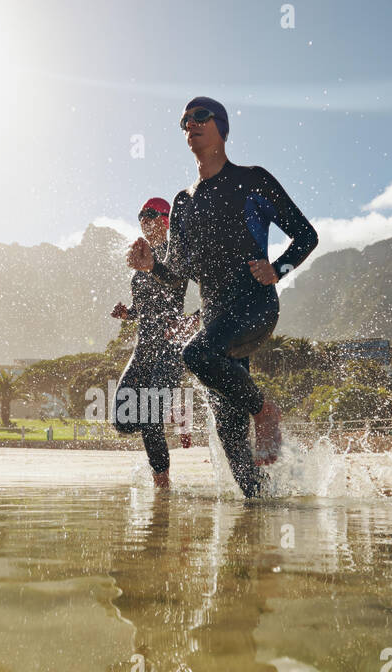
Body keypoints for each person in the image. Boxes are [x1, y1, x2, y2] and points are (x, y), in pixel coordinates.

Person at [126, 96, 318, 497]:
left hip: (253, 308)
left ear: (222, 127)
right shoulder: (183, 202)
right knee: (234, 446)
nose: (190, 125)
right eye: (184, 121)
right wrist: (150, 267)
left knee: (194, 354)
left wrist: (277, 269)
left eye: (200, 117)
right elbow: (178, 273)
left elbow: (306, 235)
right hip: (217, 328)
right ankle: (270, 500)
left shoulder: (252, 180)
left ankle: (265, 410)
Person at [111, 197, 189, 488]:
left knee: (148, 415)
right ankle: (165, 411)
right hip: (143, 349)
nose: (145, 219)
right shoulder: (139, 260)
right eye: (141, 215)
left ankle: (162, 487)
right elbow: (144, 307)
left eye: (151, 214)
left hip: (169, 348)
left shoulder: (175, 252)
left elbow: (177, 282)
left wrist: (152, 267)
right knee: (122, 417)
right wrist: (128, 313)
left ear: (166, 219)